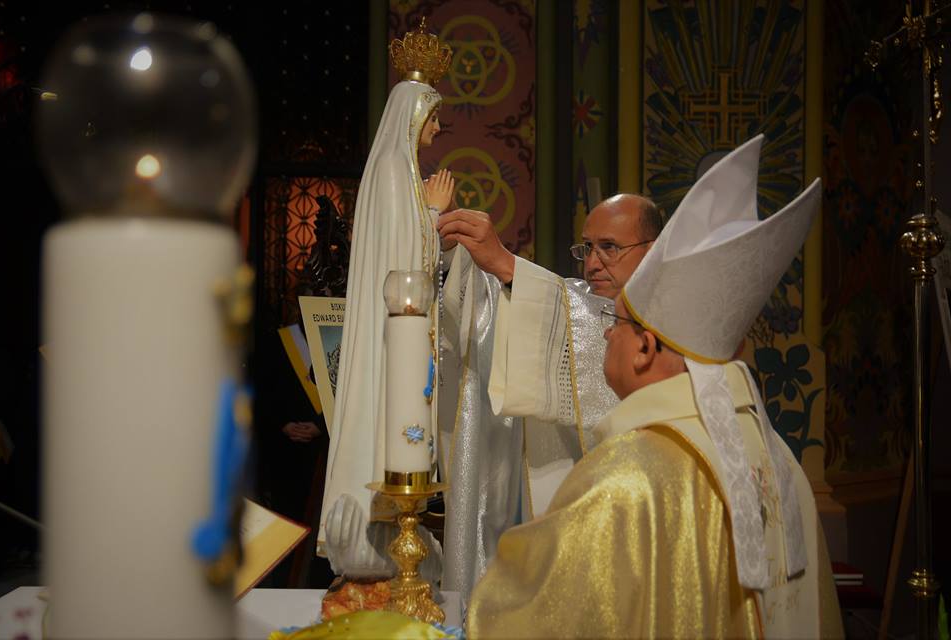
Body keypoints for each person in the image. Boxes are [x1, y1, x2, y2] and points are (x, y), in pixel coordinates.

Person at [466, 135, 844, 638]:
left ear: (645, 347)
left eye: (617, 325)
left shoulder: (627, 481)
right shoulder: (782, 465)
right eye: (588, 248)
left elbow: (533, 616)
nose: (605, 332)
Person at [436, 194, 662, 598]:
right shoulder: (578, 297)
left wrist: (507, 265)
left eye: (609, 247)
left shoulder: (671, 323)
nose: (593, 263)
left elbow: (569, 319)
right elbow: (498, 311)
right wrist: (460, 254)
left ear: (653, 250)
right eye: (587, 247)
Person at [317, 20, 454, 577]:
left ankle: (397, 533)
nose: (438, 128)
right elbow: (406, 270)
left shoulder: (400, 171)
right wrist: (436, 214)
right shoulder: (397, 171)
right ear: (413, 115)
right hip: (392, 333)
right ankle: (379, 536)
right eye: (433, 117)